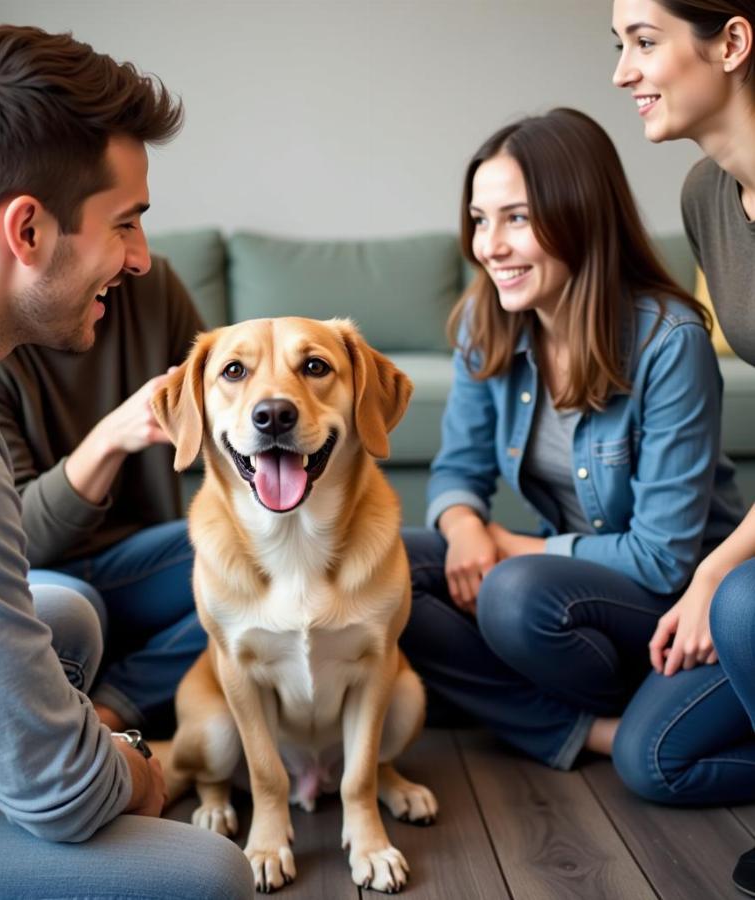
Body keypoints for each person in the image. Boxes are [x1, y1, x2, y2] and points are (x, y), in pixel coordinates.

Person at [0, 23, 252, 899]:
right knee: (210, 875)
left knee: (68, 616)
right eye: (125, 225)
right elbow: (66, 793)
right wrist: (138, 768)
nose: (142, 259)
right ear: (27, 229)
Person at [399, 107, 744, 776]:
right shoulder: (488, 321)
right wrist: (465, 522)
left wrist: (503, 547)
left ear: (581, 215)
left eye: (517, 218)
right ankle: (585, 729)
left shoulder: (670, 342)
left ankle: (616, 709)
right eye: (479, 219)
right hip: (580, 598)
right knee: (382, 568)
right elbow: (457, 470)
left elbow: (662, 560)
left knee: (516, 594)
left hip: (673, 604)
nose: (488, 246)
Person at [612, 0, 755, 892]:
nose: (623, 71)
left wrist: (711, 570)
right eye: (618, 46)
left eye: (643, 43)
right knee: (652, 758)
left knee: (738, 604)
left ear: (733, 42)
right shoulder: (708, 194)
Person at [0, 255, 207, 737]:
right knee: (72, 609)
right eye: (123, 222)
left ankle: (107, 716)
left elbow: (217, 417)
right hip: (39, 567)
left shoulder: (151, 285)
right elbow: (16, 542)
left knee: (293, 564)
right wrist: (110, 438)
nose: (140, 251)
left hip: (140, 558)